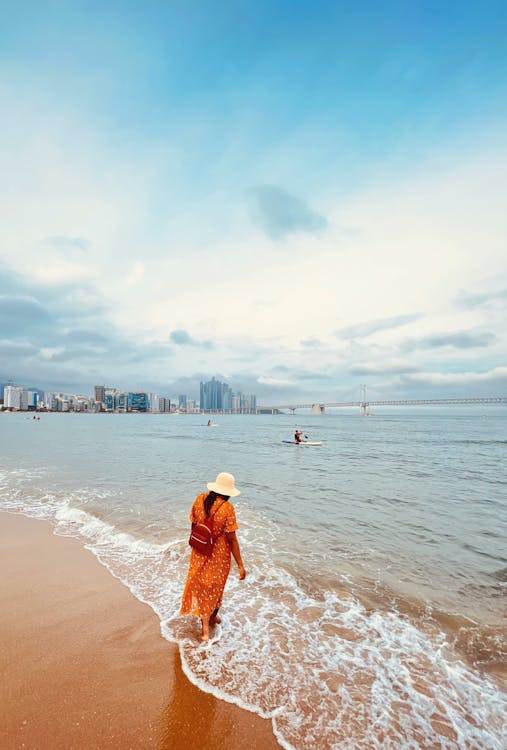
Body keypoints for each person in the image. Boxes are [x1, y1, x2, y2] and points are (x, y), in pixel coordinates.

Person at [180, 471, 246, 641]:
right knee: (215, 588)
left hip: (199, 551)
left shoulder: (199, 499)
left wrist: (197, 544)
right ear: (228, 492)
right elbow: (232, 539)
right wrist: (240, 565)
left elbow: (194, 524)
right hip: (218, 555)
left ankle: (210, 618)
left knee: (203, 587)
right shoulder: (227, 508)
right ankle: (205, 628)